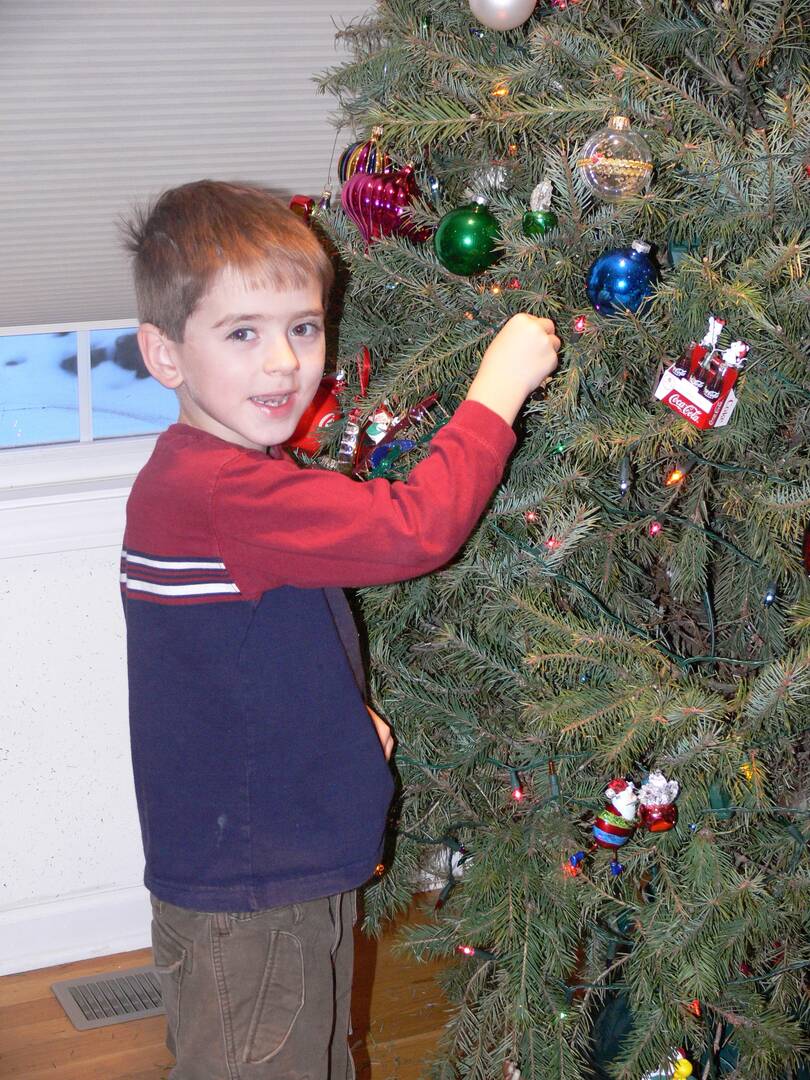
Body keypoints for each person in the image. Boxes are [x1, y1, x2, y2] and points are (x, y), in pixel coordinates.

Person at [121, 179, 560, 1079]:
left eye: (304, 326)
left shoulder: (227, 476)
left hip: (278, 859)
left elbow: (236, 655)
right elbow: (415, 529)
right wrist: (495, 391)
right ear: (164, 355)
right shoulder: (221, 489)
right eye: (242, 333)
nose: (284, 361)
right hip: (251, 883)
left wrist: (338, 714)